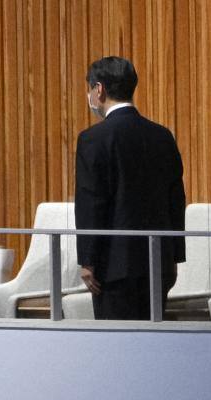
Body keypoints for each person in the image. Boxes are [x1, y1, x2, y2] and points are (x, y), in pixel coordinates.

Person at [75, 56, 186, 320]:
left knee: (117, 348)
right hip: (158, 262)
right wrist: (174, 255)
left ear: (98, 89)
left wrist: (87, 260)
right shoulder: (162, 135)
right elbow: (175, 198)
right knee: (154, 343)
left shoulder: (93, 140)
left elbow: (92, 201)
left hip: (113, 267)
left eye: (90, 89)